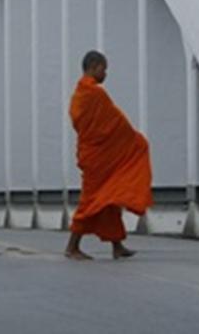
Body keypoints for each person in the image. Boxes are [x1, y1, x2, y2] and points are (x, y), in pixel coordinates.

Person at [65, 50, 153, 261]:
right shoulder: (94, 94)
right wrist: (134, 140)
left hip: (94, 155)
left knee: (110, 201)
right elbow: (113, 124)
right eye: (104, 69)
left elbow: (94, 123)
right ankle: (72, 247)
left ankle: (117, 246)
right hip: (98, 159)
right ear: (94, 67)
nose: (106, 73)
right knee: (91, 201)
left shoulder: (80, 94)